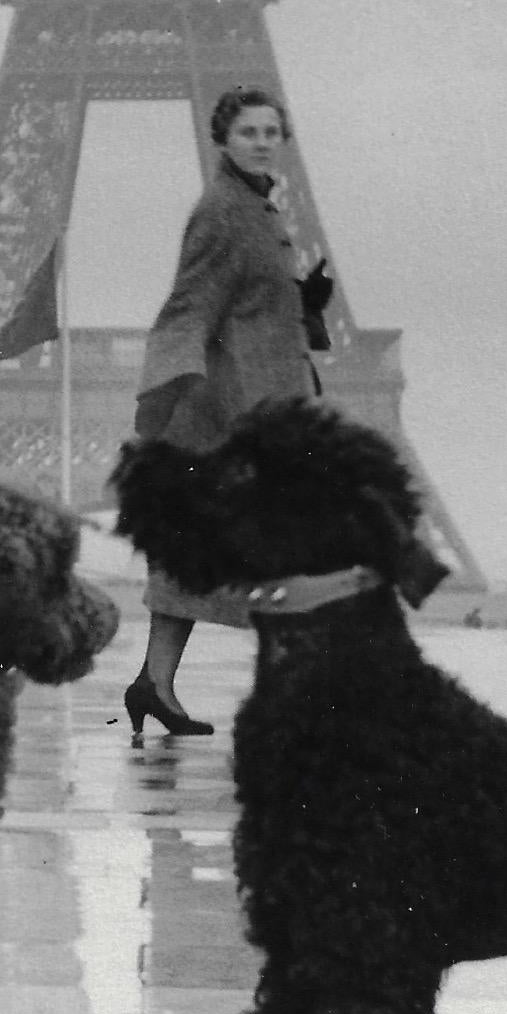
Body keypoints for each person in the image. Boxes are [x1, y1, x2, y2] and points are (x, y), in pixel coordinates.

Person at [120, 85, 332, 738]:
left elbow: (255, 300)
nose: (262, 142)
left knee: (195, 555)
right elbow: (191, 304)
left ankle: (153, 684)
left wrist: (306, 300)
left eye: (271, 132)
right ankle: (282, 703)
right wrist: (168, 401)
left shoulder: (261, 206)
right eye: (249, 132)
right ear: (222, 139)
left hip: (265, 403)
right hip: (231, 412)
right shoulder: (221, 208)